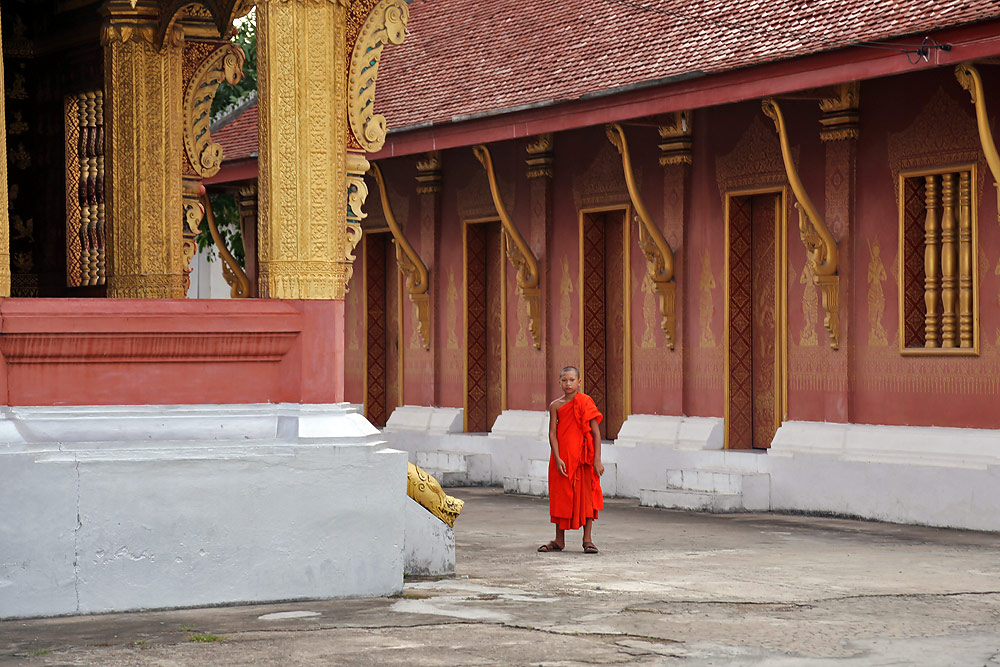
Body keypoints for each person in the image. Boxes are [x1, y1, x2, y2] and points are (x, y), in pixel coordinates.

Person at [538, 366, 604, 554]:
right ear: (559, 382)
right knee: (561, 497)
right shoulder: (555, 405)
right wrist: (557, 458)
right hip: (562, 458)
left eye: (572, 380)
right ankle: (559, 540)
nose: (568, 384)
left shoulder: (586, 402)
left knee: (587, 497)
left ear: (579, 382)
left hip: (583, 459)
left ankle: (587, 539)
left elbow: (596, 433)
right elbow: (552, 433)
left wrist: (597, 460)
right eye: (564, 380)